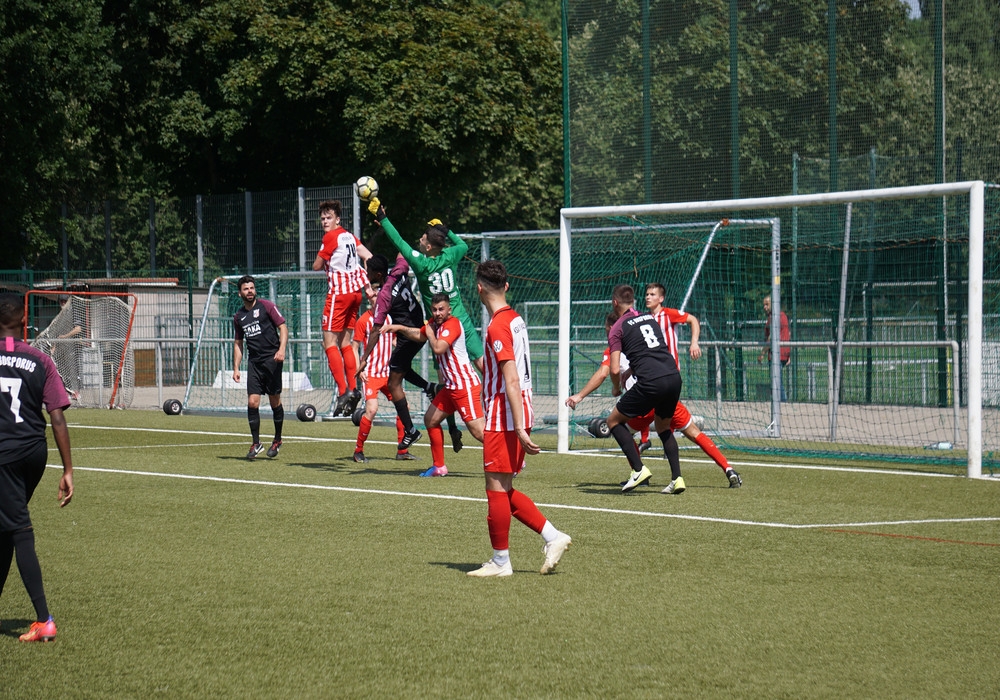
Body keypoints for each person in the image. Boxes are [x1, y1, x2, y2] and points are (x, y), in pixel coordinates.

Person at [467, 260, 571, 577]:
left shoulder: (497, 326)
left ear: (479, 288)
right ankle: (553, 537)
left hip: (504, 411)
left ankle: (501, 562)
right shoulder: (515, 319)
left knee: (495, 487)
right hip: (517, 406)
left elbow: (511, 379)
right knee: (503, 488)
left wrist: (519, 428)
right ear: (507, 287)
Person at [367, 197, 481, 450]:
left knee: (446, 376)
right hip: (462, 321)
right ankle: (493, 402)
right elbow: (462, 244)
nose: (420, 238)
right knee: (480, 365)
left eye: (423, 237)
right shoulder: (451, 254)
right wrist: (445, 229)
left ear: (429, 247)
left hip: (440, 327)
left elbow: (399, 242)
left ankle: (453, 424)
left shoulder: (421, 262)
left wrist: (383, 218)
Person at [0, 292, 74, 642]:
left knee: (17, 528)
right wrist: (68, 469)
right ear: (22, 317)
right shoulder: (39, 359)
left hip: (5, 456)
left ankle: (44, 618)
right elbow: (56, 416)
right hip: (34, 453)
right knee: (6, 526)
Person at [645, 283, 741, 487]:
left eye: (652, 294)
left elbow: (692, 320)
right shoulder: (645, 320)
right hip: (655, 386)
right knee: (688, 431)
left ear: (661, 298)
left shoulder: (669, 315)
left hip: (664, 385)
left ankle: (640, 472)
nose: (648, 297)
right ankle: (728, 469)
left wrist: (694, 342)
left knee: (621, 424)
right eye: (646, 294)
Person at [387, 293, 485, 477]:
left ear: (449, 309)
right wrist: (399, 328)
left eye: (441, 309)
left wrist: (430, 333)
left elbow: (439, 347)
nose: (438, 313)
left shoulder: (453, 324)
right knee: (430, 420)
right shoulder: (434, 324)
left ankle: (513, 461)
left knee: (479, 432)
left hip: (464, 385)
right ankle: (439, 466)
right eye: (434, 309)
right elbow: (418, 334)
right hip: (451, 387)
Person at [606, 284, 686, 494]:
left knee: (613, 421)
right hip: (673, 376)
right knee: (663, 427)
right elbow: (652, 350)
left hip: (651, 382)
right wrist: (632, 369)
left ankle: (638, 469)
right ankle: (677, 478)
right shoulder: (650, 318)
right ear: (633, 301)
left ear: (615, 303)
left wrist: (616, 388)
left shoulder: (617, 328)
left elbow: (614, 368)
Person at [356, 254, 426, 455]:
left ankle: (410, 431)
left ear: (377, 274)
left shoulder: (385, 296)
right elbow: (402, 254)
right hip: (419, 329)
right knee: (399, 377)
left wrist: (363, 359)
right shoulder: (398, 272)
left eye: (369, 271)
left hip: (408, 335)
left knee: (395, 383)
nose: (366, 274)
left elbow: (376, 331)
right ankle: (428, 388)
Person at [312, 199, 372, 417]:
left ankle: (342, 391)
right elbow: (368, 256)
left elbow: (317, 265)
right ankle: (354, 389)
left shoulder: (330, 237)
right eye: (323, 218)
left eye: (329, 218)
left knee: (328, 342)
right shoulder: (349, 236)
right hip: (356, 294)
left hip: (339, 294)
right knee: (345, 342)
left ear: (338, 219)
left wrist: (323, 256)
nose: (325, 221)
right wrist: (367, 278)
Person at [350, 286, 414, 463]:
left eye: (378, 295)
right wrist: (359, 369)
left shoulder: (390, 317)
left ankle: (403, 450)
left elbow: (394, 340)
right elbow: (354, 348)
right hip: (371, 373)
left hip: (389, 374)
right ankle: (358, 451)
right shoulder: (364, 320)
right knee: (371, 409)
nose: (375, 298)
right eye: (372, 296)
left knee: (404, 408)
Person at [232, 275, 288, 460]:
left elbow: (283, 327)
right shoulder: (239, 316)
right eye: (246, 289)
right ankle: (256, 443)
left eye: (252, 288)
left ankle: (277, 439)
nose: (250, 291)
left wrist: (281, 350)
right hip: (254, 362)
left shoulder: (266, 306)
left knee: (274, 401)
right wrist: (236, 368)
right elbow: (238, 343)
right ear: (240, 292)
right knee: (252, 402)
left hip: (272, 360)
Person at [757, 295, 791, 401]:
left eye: (767, 304)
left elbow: (771, 338)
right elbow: (787, 334)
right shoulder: (781, 316)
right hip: (782, 353)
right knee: (777, 381)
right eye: (764, 305)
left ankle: (782, 403)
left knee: (776, 382)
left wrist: (762, 353)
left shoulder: (775, 317)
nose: (765, 307)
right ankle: (781, 402)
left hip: (777, 354)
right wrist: (788, 355)